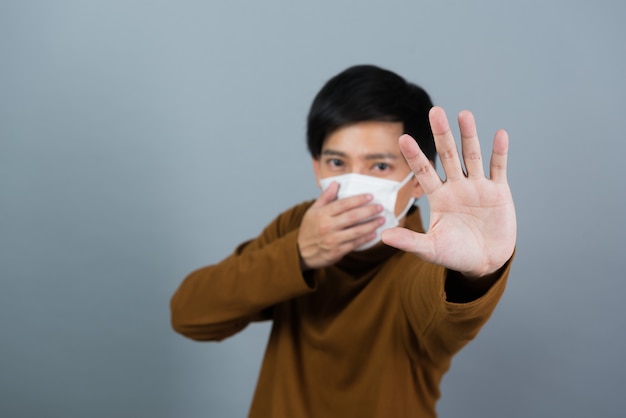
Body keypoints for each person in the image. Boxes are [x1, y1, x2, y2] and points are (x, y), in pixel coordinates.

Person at [170, 64, 517, 418]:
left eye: (379, 166)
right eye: (337, 162)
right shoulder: (298, 227)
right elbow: (190, 316)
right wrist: (298, 255)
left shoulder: (426, 259)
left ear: (418, 180)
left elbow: (442, 314)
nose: (355, 182)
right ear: (317, 168)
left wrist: (474, 275)